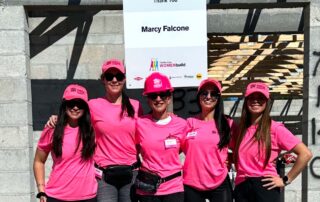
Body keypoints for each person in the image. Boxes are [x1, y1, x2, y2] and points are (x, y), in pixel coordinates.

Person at [46, 59, 143, 202]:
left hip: (131, 174)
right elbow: (74, 115)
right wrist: (56, 118)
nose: (114, 80)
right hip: (104, 177)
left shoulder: (136, 106)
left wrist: (167, 116)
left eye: (119, 76)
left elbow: (145, 134)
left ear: (124, 79)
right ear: (103, 79)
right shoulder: (93, 105)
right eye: (109, 76)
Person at [232, 82, 313, 202]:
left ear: (267, 102)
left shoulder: (275, 129)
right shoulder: (240, 129)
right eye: (252, 98)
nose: (255, 101)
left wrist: (285, 180)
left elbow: (305, 154)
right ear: (246, 101)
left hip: (265, 186)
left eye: (260, 98)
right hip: (241, 186)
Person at [34, 84, 97, 202]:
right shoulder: (52, 128)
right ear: (64, 105)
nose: (75, 107)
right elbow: (39, 161)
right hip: (57, 196)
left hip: (88, 197)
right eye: (71, 103)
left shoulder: (93, 128)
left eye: (80, 104)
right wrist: (41, 190)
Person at [134, 72, 187, 202]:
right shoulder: (139, 123)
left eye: (162, 95)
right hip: (148, 189)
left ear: (169, 98)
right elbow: (133, 148)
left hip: (174, 189)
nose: (158, 99)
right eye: (153, 96)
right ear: (148, 99)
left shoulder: (181, 124)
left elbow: (185, 149)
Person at [182, 78, 236, 202]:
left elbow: (242, 150)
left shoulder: (228, 124)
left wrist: (230, 159)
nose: (208, 96)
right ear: (198, 96)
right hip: (192, 183)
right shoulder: (189, 123)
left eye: (213, 94)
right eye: (204, 93)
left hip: (219, 181)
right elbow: (174, 149)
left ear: (218, 98)